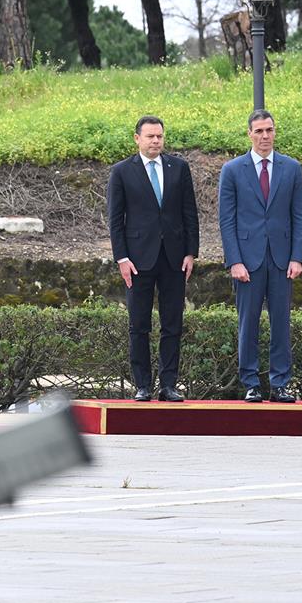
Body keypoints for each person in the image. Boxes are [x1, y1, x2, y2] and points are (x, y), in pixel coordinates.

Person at [107, 115, 199, 402]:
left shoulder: (179, 168)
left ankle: (168, 384)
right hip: (137, 259)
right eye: (150, 136)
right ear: (137, 139)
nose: (156, 141)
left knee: (173, 323)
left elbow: (190, 214)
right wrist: (121, 257)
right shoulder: (122, 172)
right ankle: (143, 385)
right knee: (139, 324)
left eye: (159, 136)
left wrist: (190, 252)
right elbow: (115, 220)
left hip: (173, 258)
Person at [217, 109, 302, 403]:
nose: (265, 136)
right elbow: (226, 220)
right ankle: (251, 382)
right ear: (249, 134)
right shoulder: (232, 170)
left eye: (269, 130)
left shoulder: (291, 168)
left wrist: (297, 257)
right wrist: (235, 260)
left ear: (274, 131)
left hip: (282, 259)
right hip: (248, 259)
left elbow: (299, 216)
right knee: (248, 323)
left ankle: (280, 383)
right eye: (259, 131)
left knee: (281, 323)